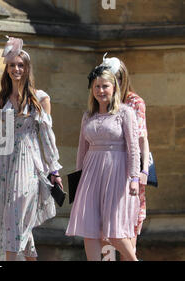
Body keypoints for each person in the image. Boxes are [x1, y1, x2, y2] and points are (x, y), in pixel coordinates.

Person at [0, 36, 63, 261]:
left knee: (16, 216)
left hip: (28, 162)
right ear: (6, 69)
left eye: (20, 65)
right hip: (4, 164)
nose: (16, 69)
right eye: (12, 65)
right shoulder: (0, 100)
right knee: (12, 218)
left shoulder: (40, 99)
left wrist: (53, 170)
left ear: (27, 69)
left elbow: (47, 138)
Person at [65, 66, 140, 261]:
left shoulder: (126, 113)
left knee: (114, 230)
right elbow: (81, 150)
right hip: (90, 174)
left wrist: (134, 178)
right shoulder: (88, 115)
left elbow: (134, 148)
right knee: (89, 228)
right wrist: (78, 179)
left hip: (117, 172)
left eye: (105, 86)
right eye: (96, 86)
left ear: (114, 87)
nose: (100, 90)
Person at [100, 53, 150, 260]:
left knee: (127, 224)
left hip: (130, 169)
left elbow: (142, 139)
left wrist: (143, 171)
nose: (115, 83)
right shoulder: (101, 100)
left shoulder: (133, 102)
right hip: (104, 169)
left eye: (118, 78)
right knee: (102, 227)